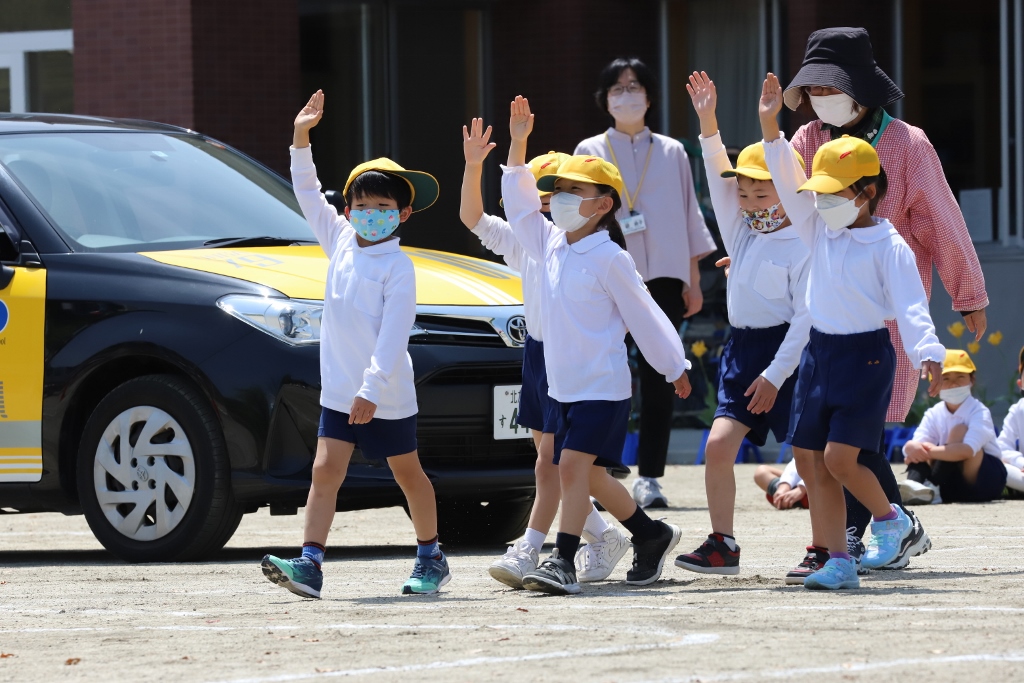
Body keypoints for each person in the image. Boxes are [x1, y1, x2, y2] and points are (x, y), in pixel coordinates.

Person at [783, 26, 988, 563]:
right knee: (836, 436)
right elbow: (793, 213)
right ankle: (875, 529)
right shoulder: (807, 141)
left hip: (886, 309)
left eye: (830, 88)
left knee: (858, 434)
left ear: (859, 89)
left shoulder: (906, 144)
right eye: (814, 90)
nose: (820, 100)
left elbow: (944, 221)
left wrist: (968, 294)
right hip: (825, 309)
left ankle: (868, 530)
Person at [260, 90, 449, 599]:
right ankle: (310, 565)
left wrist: (371, 389)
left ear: (403, 214)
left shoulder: (398, 267)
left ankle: (431, 556)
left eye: (383, 206)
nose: (370, 214)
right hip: (339, 390)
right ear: (348, 210)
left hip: (383, 392)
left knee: (408, 474)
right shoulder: (340, 239)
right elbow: (305, 190)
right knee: (325, 470)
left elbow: (393, 335)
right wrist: (302, 135)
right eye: (361, 206)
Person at [760, 73, 945, 590]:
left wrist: (928, 353)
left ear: (866, 192)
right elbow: (783, 179)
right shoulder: (818, 227)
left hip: (865, 358)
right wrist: (769, 126)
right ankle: (836, 558)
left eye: (833, 193)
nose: (820, 203)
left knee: (842, 458)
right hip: (819, 356)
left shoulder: (890, 246)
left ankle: (891, 520)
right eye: (817, 193)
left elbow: (911, 308)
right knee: (813, 463)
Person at [502, 96, 690, 595]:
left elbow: (646, 317)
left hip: (602, 388)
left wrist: (674, 365)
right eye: (557, 190)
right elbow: (520, 207)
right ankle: (651, 535)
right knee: (591, 478)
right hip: (562, 386)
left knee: (569, 468)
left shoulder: (610, 257)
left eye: (572, 191)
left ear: (603, 204)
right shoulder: (549, 243)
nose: (559, 198)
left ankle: (561, 561)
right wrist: (518, 147)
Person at [458, 119, 631, 588]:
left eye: (559, 193)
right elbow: (472, 218)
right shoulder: (525, 240)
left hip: (573, 357)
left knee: (552, 462)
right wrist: (475, 166)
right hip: (537, 353)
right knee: (551, 459)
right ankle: (612, 536)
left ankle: (533, 546)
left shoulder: (583, 248)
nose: (554, 202)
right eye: (548, 192)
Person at [673, 71, 811, 577]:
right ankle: (722, 544)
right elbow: (716, 176)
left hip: (789, 361)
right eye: (745, 197)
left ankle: (826, 545)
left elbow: (805, 322)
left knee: (812, 461)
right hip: (741, 353)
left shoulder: (803, 244)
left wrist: (775, 376)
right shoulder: (742, 235)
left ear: (789, 193)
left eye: (762, 196)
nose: (750, 207)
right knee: (717, 446)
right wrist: (707, 120)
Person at [575, 57, 717, 509]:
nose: (626, 94)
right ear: (604, 99)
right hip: (607, 273)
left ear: (650, 96)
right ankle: (605, 471)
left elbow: (689, 213)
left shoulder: (673, 150)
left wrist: (692, 279)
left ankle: (651, 477)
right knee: (608, 371)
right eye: (617, 88)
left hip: (664, 276)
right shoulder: (588, 150)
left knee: (662, 373)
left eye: (634, 86)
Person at [900, 349, 1008, 505]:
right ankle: (914, 486)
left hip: (984, 482)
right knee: (916, 447)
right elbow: (916, 446)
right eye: (945, 378)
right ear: (934, 382)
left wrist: (929, 450)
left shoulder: (979, 411)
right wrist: (911, 447)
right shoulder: (933, 413)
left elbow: (968, 450)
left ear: (972, 380)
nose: (953, 383)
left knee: (959, 430)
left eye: (960, 377)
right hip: (950, 484)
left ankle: (932, 485)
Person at [995, 345, 1024, 494]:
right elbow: (1002, 448)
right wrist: (1020, 462)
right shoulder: (1017, 409)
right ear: (1020, 384)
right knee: (1000, 468)